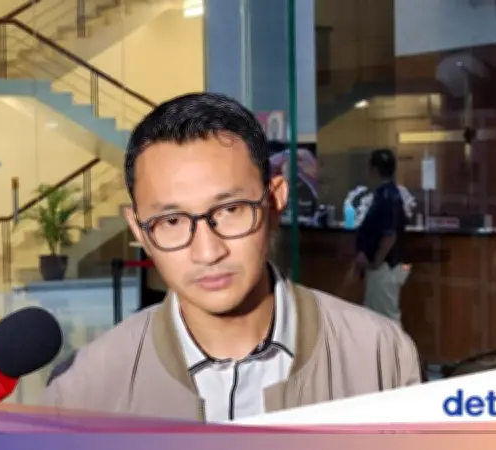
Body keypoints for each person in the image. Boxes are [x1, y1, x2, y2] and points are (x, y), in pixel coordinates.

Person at [42, 93, 421, 422]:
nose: (208, 252)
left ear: (275, 201)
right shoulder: (83, 389)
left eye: (231, 210)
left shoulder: (379, 355)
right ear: (139, 230)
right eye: (171, 221)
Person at [351, 149, 410, 323]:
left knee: (385, 318)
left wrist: (376, 261)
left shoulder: (387, 197)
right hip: (383, 267)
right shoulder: (387, 195)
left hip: (384, 268)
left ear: (374, 169)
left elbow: (389, 236)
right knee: (377, 316)